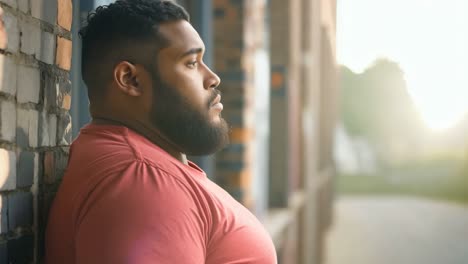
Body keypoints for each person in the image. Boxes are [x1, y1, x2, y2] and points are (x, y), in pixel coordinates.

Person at [45, 1, 277, 263]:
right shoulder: (141, 181)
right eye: (191, 62)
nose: (212, 77)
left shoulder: (138, 166)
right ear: (130, 79)